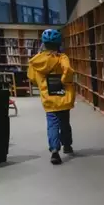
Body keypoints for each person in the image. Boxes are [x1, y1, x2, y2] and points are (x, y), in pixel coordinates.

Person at [27, 29, 76, 165]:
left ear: (43, 44)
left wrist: (42, 84)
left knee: (52, 124)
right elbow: (68, 71)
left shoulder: (35, 61)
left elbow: (31, 78)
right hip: (63, 97)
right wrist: (64, 81)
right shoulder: (62, 58)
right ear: (59, 44)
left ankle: (54, 151)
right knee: (65, 122)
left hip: (48, 98)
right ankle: (67, 145)